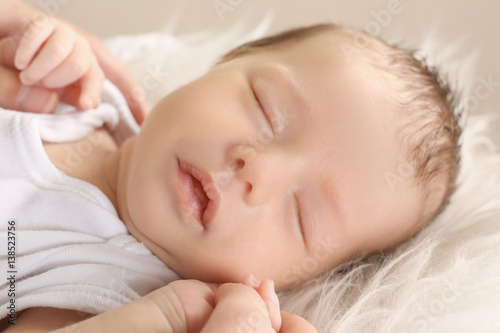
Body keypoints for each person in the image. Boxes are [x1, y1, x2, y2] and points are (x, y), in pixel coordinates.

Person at [0, 0, 462, 331]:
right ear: (221, 63)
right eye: (267, 109)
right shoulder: (84, 88)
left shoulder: (106, 292)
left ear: (295, 280)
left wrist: (160, 319)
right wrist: (27, 42)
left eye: (301, 214)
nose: (256, 169)